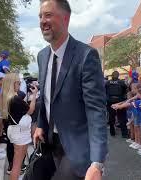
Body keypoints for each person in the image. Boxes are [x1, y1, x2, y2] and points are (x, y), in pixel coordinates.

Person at [33, 0, 108, 179]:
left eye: (48, 15)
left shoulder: (86, 55)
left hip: (77, 148)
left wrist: (97, 163)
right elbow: (45, 97)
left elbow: (96, 111)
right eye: (40, 16)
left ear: (65, 18)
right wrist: (40, 125)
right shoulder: (42, 56)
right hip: (49, 142)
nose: (42, 20)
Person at [0, 73, 38, 180]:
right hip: (20, 132)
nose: (20, 84)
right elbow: (30, 111)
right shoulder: (15, 99)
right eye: (18, 83)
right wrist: (34, 95)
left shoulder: (6, 97)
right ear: (12, 84)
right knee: (17, 164)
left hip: (14, 130)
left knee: (17, 162)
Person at [105, 71, 128, 137]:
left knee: (111, 118)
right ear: (118, 76)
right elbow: (126, 90)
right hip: (120, 101)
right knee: (122, 118)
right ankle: (124, 134)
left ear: (112, 75)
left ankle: (112, 133)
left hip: (110, 101)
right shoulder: (121, 82)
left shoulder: (108, 82)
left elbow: (105, 90)